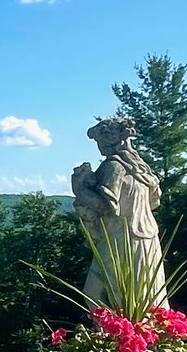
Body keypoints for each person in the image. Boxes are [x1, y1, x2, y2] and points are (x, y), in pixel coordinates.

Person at [69, 116, 166, 311]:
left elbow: (107, 207)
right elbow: (154, 202)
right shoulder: (142, 168)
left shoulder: (113, 166)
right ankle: (139, 337)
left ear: (108, 140)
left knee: (94, 295)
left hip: (120, 239)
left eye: (98, 141)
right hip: (147, 239)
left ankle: (116, 337)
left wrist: (79, 189)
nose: (98, 147)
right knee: (145, 299)